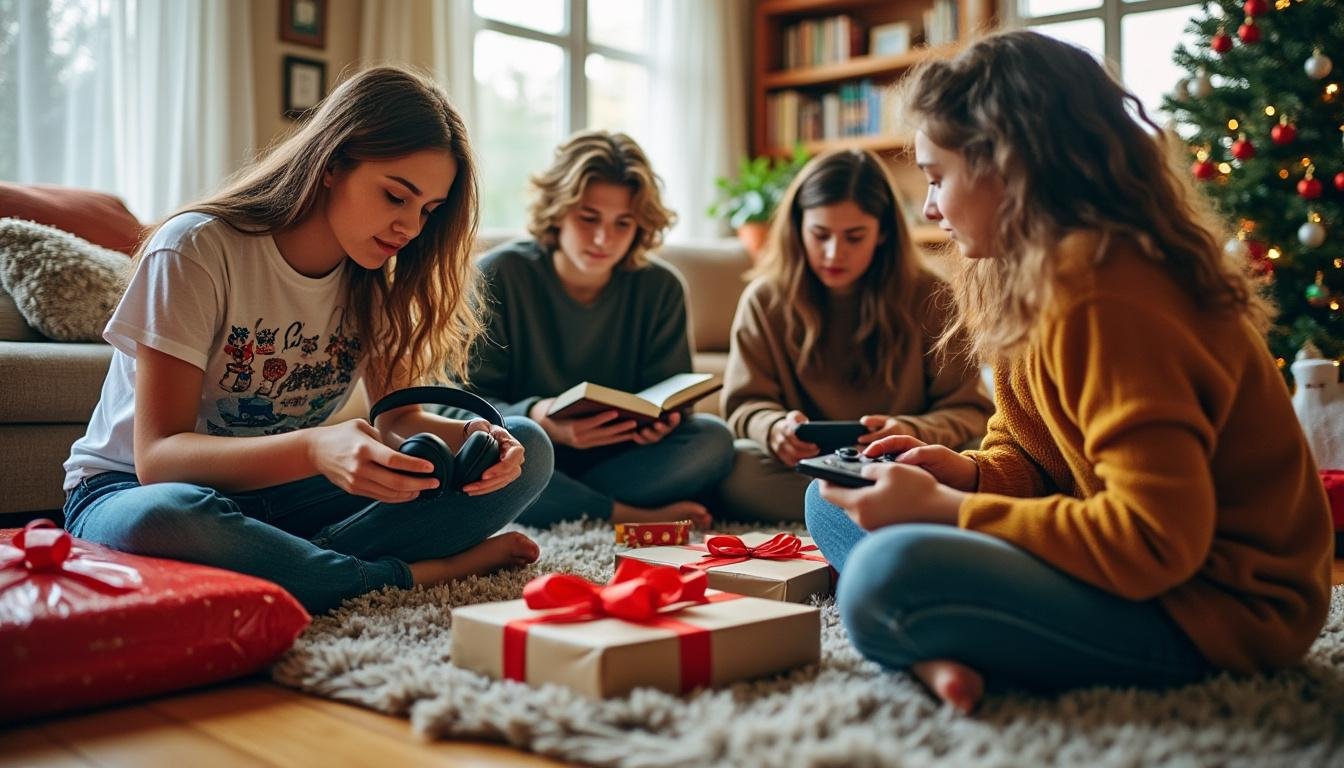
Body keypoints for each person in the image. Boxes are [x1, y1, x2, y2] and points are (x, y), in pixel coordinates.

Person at [805, 30, 1334, 714]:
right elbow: (1037, 451)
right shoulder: (1027, 273)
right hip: (1129, 569)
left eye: (938, 178)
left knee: (883, 574)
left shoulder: (1109, 292)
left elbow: (1153, 542)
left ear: (1008, 166)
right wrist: (963, 473)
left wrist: (946, 510)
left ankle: (941, 644)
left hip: (1218, 609)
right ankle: (947, 648)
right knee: (834, 494)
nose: (929, 208)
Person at [61, 67, 554, 615]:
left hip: (287, 501)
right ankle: (410, 573)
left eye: (427, 211)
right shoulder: (196, 250)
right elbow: (158, 459)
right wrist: (318, 446)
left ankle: (299, 568)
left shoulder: (376, 278)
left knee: (530, 447)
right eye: (395, 196)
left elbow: (400, 422)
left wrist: (478, 439)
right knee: (169, 516)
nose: (410, 228)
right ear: (331, 164)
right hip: (130, 492)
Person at [451, 130, 733, 528]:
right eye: (588, 218)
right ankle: (625, 515)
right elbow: (453, 406)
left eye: (623, 223)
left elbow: (672, 395)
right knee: (500, 446)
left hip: (620, 460)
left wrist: (665, 422)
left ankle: (562, 501)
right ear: (557, 210)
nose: (604, 239)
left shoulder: (661, 287)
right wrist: (541, 415)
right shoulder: (498, 275)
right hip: (528, 450)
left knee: (714, 439)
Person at [719, 148, 992, 521]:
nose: (834, 253)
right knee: (738, 465)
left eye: (854, 237)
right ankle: (884, 510)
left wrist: (909, 429)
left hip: (902, 463)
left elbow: (971, 409)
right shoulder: (764, 300)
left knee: (979, 457)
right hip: (809, 465)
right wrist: (774, 429)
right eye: (820, 235)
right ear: (798, 228)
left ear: (882, 233)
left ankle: (850, 508)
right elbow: (745, 405)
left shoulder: (932, 295)